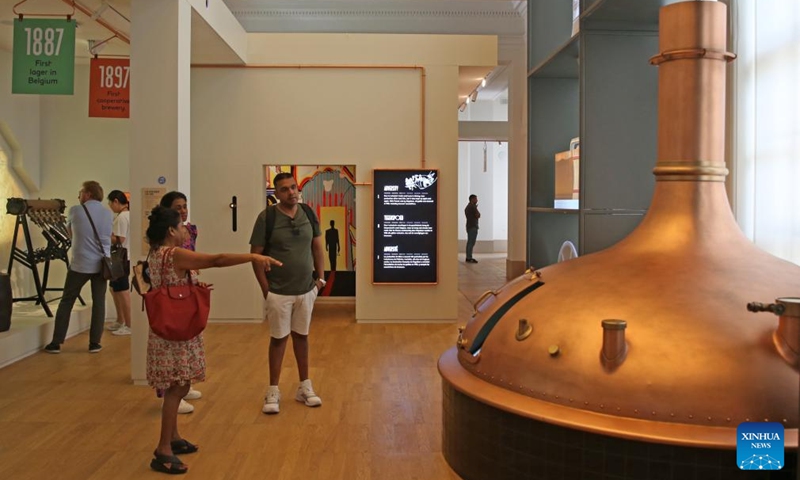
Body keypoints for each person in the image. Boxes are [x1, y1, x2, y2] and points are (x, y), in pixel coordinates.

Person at [144, 206, 281, 474]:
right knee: (177, 387)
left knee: (178, 384)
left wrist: (191, 287)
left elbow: (169, 284)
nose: (186, 230)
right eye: (182, 225)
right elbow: (216, 259)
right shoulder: (175, 253)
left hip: (168, 327)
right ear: (171, 231)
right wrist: (253, 255)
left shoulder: (156, 254)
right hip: (178, 331)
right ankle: (163, 449)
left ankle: (173, 437)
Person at [250, 172, 325, 414]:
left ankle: (305, 386)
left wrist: (320, 280)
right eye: (285, 189)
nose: (291, 192)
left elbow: (317, 247)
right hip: (279, 292)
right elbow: (256, 256)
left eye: (293, 187)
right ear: (277, 193)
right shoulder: (267, 218)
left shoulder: (308, 213)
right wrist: (266, 290)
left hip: (305, 289)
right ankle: (273, 390)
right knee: (279, 339)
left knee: (302, 336)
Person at [44, 181, 113, 354]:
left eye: (81, 192)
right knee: (99, 302)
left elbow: (70, 233)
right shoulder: (107, 213)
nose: (79, 195)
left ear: (88, 194)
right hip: (102, 264)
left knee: (67, 300)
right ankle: (95, 343)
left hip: (80, 264)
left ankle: (56, 342)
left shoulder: (76, 210)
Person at [158, 191, 202, 413]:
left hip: (188, 287)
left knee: (188, 342)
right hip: (172, 293)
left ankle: (185, 384)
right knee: (171, 348)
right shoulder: (164, 243)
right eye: (178, 207)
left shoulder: (190, 230)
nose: (183, 211)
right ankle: (169, 393)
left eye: (185, 206)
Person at [106, 190, 132, 335]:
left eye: (110, 203)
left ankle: (129, 324)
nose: (110, 206)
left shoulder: (122, 217)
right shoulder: (126, 216)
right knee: (114, 289)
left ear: (116, 201)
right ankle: (120, 320)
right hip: (122, 258)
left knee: (122, 291)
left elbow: (119, 239)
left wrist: (105, 235)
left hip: (120, 258)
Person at [464, 194, 481, 264]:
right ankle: (469, 257)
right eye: (476, 199)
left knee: (469, 242)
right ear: (472, 199)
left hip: (469, 226)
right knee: (471, 242)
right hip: (473, 226)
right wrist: (476, 209)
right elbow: (478, 215)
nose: (477, 200)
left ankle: (468, 256)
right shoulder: (472, 207)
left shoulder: (468, 207)